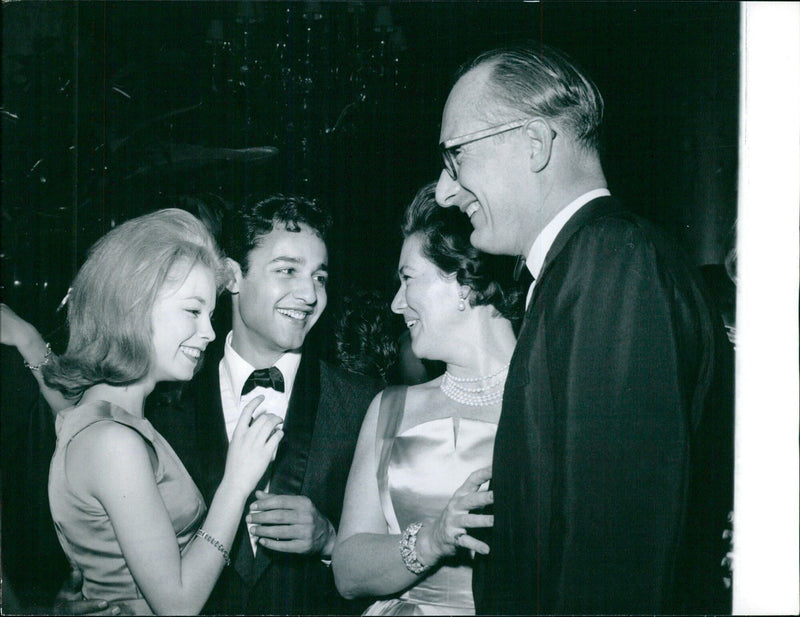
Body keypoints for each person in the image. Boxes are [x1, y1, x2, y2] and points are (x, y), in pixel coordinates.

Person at [434, 43, 734, 614]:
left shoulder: (611, 261)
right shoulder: (587, 263)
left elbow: (614, 557)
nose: (447, 191)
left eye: (456, 157)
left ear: (534, 143)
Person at [143, 194, 381, 615]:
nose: (309, 294)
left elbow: (397, 553)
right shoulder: (163, 404)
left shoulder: (363, 402)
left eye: (320, 277)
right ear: (232, 276)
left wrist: (330, 540)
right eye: (288, 270)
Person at [41, 209, 285, 615]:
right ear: (133, 306)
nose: (208, 333)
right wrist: (236, 483)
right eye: (192, 311)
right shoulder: (112, 440)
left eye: (209, 315)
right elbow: (177, 604)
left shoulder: (106, 420)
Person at [332, 183, 524, 614]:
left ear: (460, 279)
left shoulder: (549, 403)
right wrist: (431, 540)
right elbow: (346, 572)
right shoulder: (391, 408)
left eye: (407, 279)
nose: (397, 304)